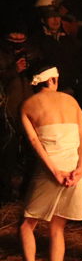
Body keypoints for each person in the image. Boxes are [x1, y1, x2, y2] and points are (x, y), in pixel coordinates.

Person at [18, 61, 82, 261]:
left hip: (52, 165)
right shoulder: (71, 101)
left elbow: (34, 142)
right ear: (52, 79)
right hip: (74, 166)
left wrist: (53, 170)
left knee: (27, 223)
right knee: (57, 227)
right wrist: (81, 169)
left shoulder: (28, 104)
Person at [0, 26, 36, 204]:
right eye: (14, 33)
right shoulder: (2, 53)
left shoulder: (33, 51)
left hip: (30, 112)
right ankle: (4, 194)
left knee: (33, 153)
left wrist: (34, 69)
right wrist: (14, 70)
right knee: (8, 156)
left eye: (21, 33)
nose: (18, 37)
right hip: (9, 112)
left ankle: (27, 191)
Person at [29, 0, 82, 96]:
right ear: (43, 20)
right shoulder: (37, 41)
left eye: (58, 16)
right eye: (51, 16)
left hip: (69, 90)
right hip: (49, 93)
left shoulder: (66, 40)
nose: (56, 19)